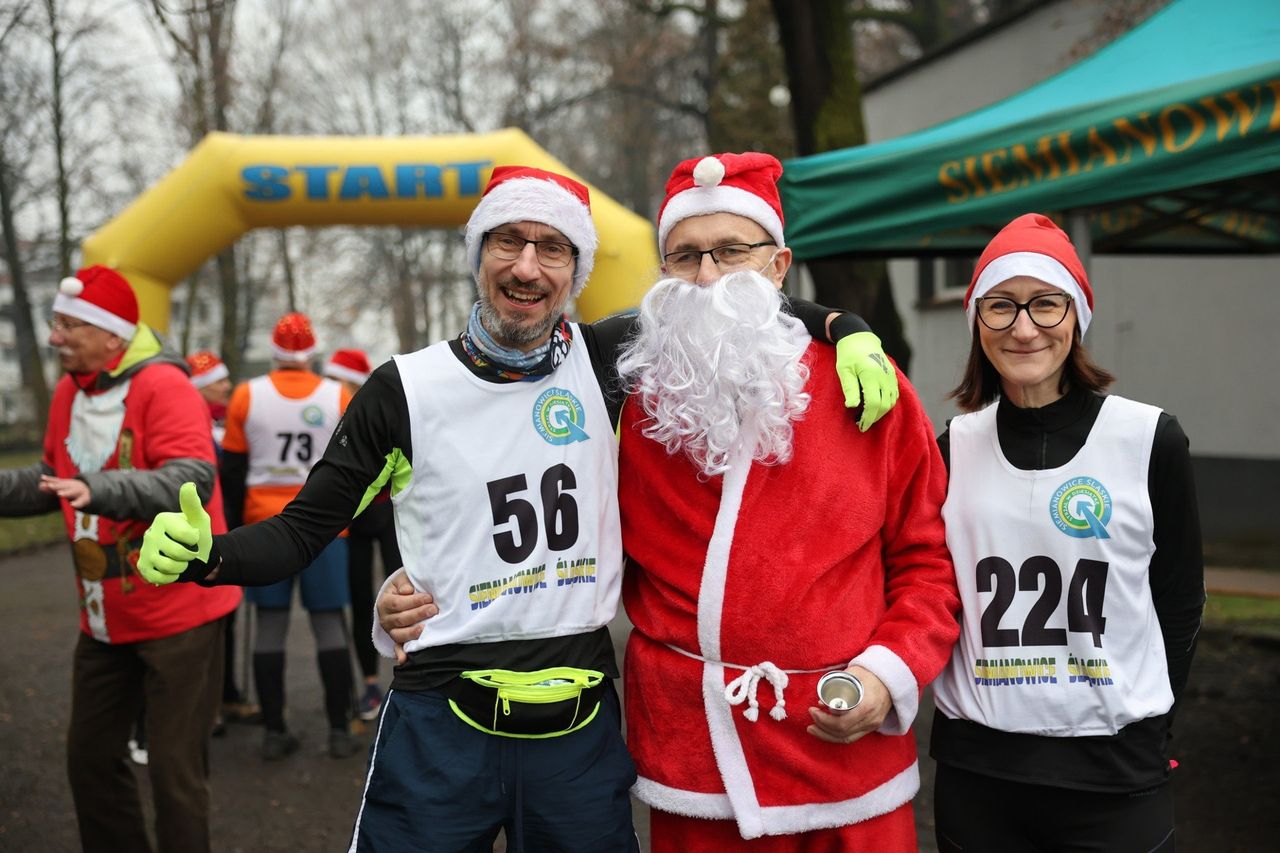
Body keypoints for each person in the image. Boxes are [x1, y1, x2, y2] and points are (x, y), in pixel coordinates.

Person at [137, 163, 898, 851]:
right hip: (442, 719)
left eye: (552, 247)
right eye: (508, 241)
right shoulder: (403, 390)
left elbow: (733, 292)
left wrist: (849, 328)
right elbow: (302, 531)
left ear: (575, 270)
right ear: (478, 255)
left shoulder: (609, 361)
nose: (527, 265)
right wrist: (210, 555)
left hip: (577, 724)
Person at [376, 153, 957, 851]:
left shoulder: (868, 388)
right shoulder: (630, 394)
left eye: (731, 252)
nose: (708, 276)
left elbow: (928, 561)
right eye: (684, 255)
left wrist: (883, 675)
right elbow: (536, 515)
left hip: (840, 751)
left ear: (779, 265)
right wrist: (416, 590)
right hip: (693, 758)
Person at [927, 214, 1205, 852]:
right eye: (1000, 306)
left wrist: (1152, 719)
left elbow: (1180, 600)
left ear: (1076, 316)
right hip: (980, 775)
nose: (1023, 328)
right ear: (977, 321)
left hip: (1114, 778)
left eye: (1045, 304)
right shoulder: (950, 450)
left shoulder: (1149, 439)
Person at [0, 265, 241, 853]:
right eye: (55, 323)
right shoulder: (68, 391)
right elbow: (56, 479)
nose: (54, 336)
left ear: (112, 335)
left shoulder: (164, 386)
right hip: (103, 619)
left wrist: (99, 488)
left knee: (173, 775)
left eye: (68, 325)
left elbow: (190, 474)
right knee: (90, 760)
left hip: (179, 613)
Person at [219, 313, 359, 760]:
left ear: (274, 351)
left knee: (269, 627)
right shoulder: (337, 394)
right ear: (312, 350)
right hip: (324, 528)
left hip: (264, 527)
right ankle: (340, 728)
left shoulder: (245, 395)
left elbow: (234, 470)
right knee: (328, 623)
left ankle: (274, 730)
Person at [324, 348, 403, 722]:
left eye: (345, 382)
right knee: (359, 600)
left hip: (388, 511)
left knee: (406, 591)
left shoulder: (379, 400)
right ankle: (371, 684)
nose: (339, 388)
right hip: (353, 517)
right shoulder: (329, 406)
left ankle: (407, 674)